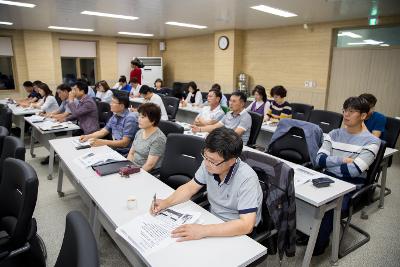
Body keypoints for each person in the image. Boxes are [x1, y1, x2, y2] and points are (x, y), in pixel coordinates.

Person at [151, 127, 263, 241]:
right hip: (212, 219)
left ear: (231, 161)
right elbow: (190, 188)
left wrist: (203, 230)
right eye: (205, 157)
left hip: (236, 231)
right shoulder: (209, 164)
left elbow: (246, 225)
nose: (206, 163)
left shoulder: (247, 179)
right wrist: (166, 202)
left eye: (213, 161)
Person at [310, 96, 381, 255]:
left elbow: (354, 170)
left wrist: (331, 163)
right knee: (301, 195)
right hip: (327, 177)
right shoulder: (334, 133)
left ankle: (318, 246)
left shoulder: (371, 141)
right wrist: (342, 160)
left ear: (363, 115)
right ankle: (304, 233)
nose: (346, 115)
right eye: (344, 111)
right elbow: (319, 160)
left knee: (327, 206)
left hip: (350, 185)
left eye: (351, 111)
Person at [80, 90, 139, 155]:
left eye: (113, 102)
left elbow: (124, 143)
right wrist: (87, 136)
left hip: (124, 153)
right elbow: (103, 132)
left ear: (122, 106)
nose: (110, 104)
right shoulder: (115, 116)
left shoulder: (130, 118)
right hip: (114, 149)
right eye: (111, 101)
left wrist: (103, 142)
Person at [127, 103, 166, 172]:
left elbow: (149, 165)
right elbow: (131, 153)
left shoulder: (158, 138)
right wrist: (128, 168)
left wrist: (133, 173)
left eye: (142, 117)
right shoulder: (140, 132)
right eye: (139, 116)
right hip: (132, 167)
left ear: (153, 120)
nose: (139, 119)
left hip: (145, 173)